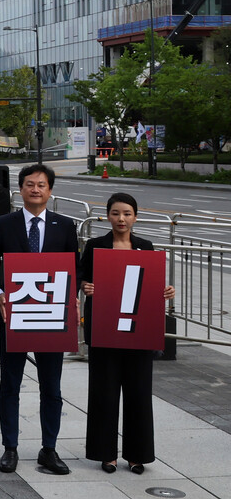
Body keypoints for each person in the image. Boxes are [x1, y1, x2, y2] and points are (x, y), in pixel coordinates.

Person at [0, 163, 80, 474]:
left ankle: (49, 449)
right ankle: (9, 447)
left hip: (51, 317)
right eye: (29, 184)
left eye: (41, 185)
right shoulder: (3, 224)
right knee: (10, 383)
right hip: (14, 314)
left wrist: (74, 298)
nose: (35, 189)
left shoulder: (64, 226)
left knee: (51, 386)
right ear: (20, 189)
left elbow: (74, 269)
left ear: (50, 190)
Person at [81, 192, 175, 475]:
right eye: (115, 213)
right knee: (104, 393)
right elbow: (83, 277)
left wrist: (166, 291)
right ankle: (105, 454)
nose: (121, 219)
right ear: (108, 216)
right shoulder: (95, 246)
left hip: (138, 331)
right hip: (104, 329)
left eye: (127, 214)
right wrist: (87, 286)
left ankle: (137, 455)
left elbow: (151, 283)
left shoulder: (145, 247)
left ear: (135, 217)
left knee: (138, 393)